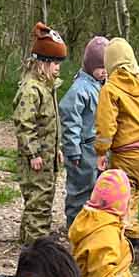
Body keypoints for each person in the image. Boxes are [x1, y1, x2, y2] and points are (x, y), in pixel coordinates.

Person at [93, 38, 139, 258]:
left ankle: (130, 244)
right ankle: (130, 242)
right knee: (135, 193)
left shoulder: (111, 89)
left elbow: (106, 125)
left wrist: (100, 151)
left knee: (124, 197)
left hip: (126, 152)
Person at [14, 22, 67, 244]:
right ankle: (37, 248)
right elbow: (24, 123)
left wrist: (58, 149)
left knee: (42, 199)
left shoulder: (46, 87)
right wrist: (33, 153)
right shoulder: (31, 89)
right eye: (54, 63)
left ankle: (28, 240)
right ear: (41, 63)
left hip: (47, 157)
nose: (57, 68)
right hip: (36, 160)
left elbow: (51, 124)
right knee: (39, 203)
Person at [59, 35, 109, 227]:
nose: (104, 72)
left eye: (107, 67)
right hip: (83, 149)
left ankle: (91, 228)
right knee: (80, 191)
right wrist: (72, 151)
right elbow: (70, 120)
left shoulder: (102, 86)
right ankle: (74, 227)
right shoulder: (80, 89)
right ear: (90, 65)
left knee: (97, 190)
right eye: (100, 68)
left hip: (97, 148)